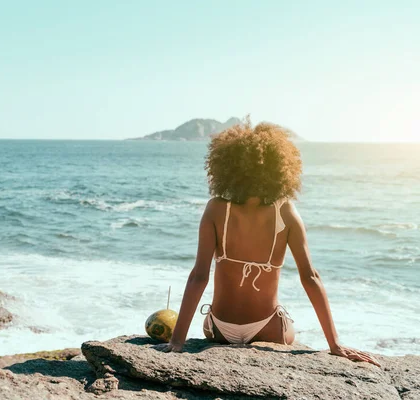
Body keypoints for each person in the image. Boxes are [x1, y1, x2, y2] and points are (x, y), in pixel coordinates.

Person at [156, 118, 380, 367]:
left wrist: (177, 341)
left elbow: (199, 276)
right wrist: (335, 345)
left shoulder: (216, 209)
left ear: (227, 168)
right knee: (287, 322)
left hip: (220, 328)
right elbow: (311, 278)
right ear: (279, 170)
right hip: (269, 328)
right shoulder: (285, 211)